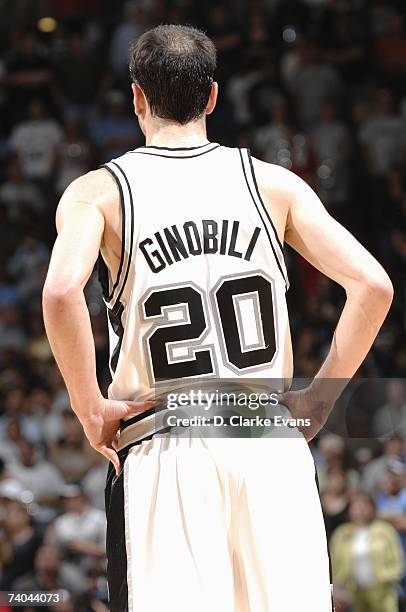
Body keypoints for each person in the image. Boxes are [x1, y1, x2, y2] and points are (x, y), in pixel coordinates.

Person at [43, 25, 393, 612]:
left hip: (167, 443)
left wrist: (89, 407)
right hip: (271, 444)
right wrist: (322, 397)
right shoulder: (274, 184)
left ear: (136, 98)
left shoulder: (97, 192)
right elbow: (374, 285)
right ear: (212, 97)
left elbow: (59, 295)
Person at [330, 491, 404, 612]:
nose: (360, 510)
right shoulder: (342, 533)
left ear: (372, 508)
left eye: (364, 506)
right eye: (356, 506)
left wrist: (390, 576)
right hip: (353, 593)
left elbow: (397, 557)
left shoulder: (385, 530)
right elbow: (333, 561)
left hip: (382, 591)